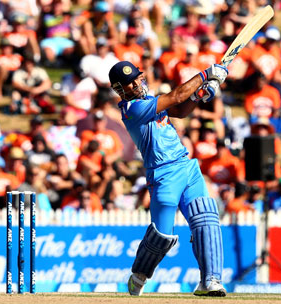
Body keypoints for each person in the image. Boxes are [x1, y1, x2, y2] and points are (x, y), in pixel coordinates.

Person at [108, 60, 228, 296]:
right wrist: (206, 74)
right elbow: (176, 96)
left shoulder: (149, 101)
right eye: (129, 83)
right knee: (162, 237)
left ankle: (210, 281)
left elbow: (181, 110)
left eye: (137, 78)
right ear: (120, 90)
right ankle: (139, 275)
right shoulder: (132, 109)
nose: (136, 84)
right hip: (163, 174)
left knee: (206, 220)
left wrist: (200, 96)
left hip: (186, 166)